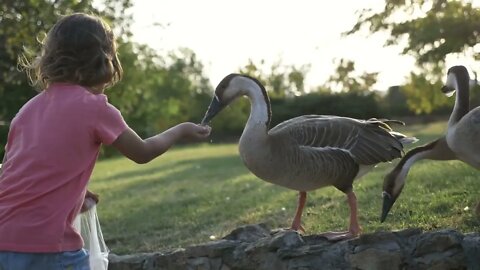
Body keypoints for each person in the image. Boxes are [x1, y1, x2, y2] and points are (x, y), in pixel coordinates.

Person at [0, 13, 211, 270]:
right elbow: (142, 152)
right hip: (48, 245)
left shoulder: (27, 110)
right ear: (105, 59)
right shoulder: (95, 108)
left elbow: (16, 170)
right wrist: (181, 130)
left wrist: (70, 190)